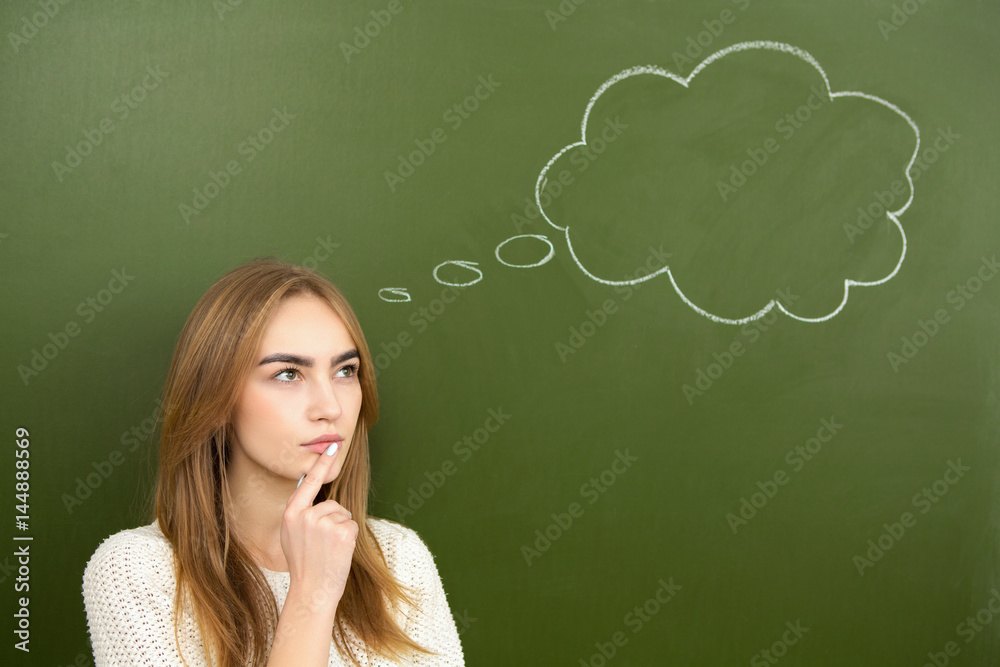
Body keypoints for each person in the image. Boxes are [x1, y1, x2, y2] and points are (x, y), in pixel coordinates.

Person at [82, 259, 465, 666]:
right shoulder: (137, 572)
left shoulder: (398, 558)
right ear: (218, 399)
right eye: (287, 374)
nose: (330, 407)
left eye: (345, 370)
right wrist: (311, 598)